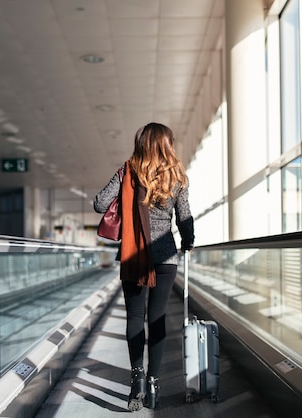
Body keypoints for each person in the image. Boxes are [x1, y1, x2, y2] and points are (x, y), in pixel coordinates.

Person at [93, 122, 194, 411]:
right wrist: (189, 241)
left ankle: (136, 378)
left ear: (141, 143)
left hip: (133, 254)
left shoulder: (128, 170)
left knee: (135, 316)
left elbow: (100, 204)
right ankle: (153, 383)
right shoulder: (177, 176)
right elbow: (184, 217)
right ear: (168, 144)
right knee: (157, 318)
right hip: (165, 257)